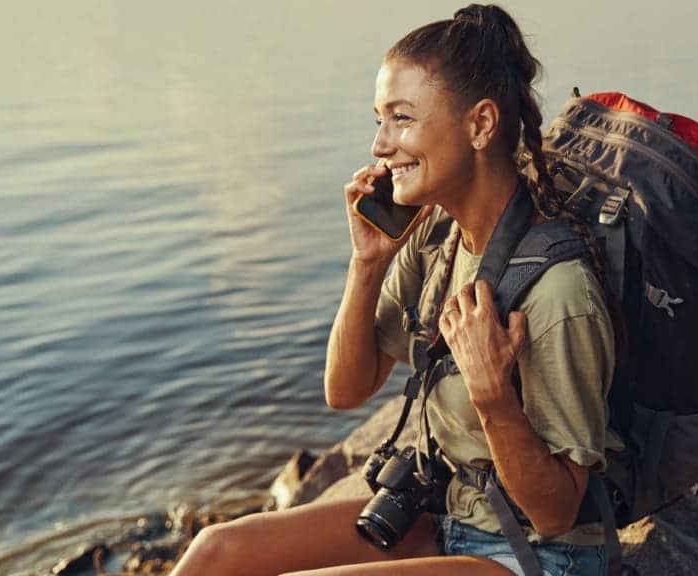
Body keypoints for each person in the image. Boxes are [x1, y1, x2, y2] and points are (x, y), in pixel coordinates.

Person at [169, 4, 614, 575]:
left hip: (540, 554)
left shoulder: (558, 291)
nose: (380, 145)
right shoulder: (436, 234)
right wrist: (367, 262)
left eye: (402, 119)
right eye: (379, 120)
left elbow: (555, 514)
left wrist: (492, 394)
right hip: (449, 517)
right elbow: (347, 390)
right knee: (214, 554)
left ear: (480, 125)